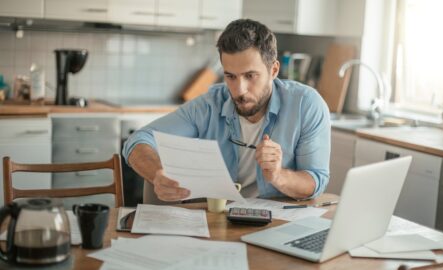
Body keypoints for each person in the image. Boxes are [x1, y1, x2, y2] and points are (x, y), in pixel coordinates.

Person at [122, 19, 331, 203]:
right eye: (230, 76)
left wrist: (278, 176)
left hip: (277, 222)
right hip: (219, 223)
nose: (239, 90)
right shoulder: (208, 106)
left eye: (250, 76)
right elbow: (138, 140)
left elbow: (316, 181)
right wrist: (158, 174)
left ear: (273, 70)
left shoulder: (306, 104)